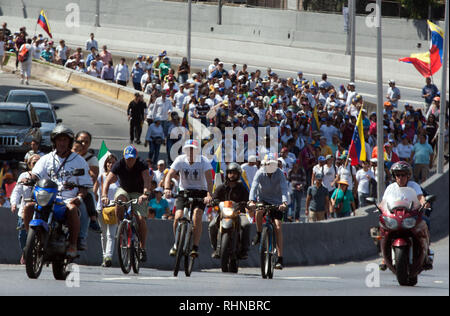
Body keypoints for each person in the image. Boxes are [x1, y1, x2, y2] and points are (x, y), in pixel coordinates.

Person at [22, 125, 92, 258]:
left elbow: (84, 185)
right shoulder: (46, 159)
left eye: (65, 140)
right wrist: (28, 178)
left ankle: (72, 244)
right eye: (59, 140)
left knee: (72, 209)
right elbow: (35, 174)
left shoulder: (79, 161)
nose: (62, 143)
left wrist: (79, 197)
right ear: (54, 142)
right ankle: (30, 241)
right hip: (46, 197)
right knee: (28, 207)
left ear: (69, 142)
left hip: (66, 200)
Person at [102, 145, 152, 262]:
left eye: (132, 158)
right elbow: (107, 181)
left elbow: (147, 180)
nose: (130, 161)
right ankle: (121, 226)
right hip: (124, 189)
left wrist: (145, 193)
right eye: (128, 158)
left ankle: (142, 247)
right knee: (119, 200)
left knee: (140, 219)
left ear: (136, 157)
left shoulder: (142, 164)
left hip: (138, 192)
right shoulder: (118, 164)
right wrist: (104, 195)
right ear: (124, 157)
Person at [164, 139, 214, 258]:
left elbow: (209, 180)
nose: (190, 152)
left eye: (193, 150)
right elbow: (169, 175)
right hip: (184, 191)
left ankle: (195, 247)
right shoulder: (180, 160)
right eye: (188, 150)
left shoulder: (204, 161)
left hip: (200, 192)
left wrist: (209, 195)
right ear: (185, 151)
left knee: (197, 215)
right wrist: (167, 188)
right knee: (177, 216)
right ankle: (176, 244)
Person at [249, 153, 289, 270]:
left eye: (272, 164)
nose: (269, 167)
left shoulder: (280, 174)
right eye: (267, 164)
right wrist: (251, 200)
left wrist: (284, 203)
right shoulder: (260, 172)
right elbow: (254, 187)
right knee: (259, 212)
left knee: (278, 226)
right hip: (263, 199)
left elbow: (284, 189)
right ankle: (259, 233)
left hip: (277, 202)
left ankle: (280, 258)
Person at [209, 162, 251, 260]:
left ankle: (244, 250)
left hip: (239, 213)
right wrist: (212, 202)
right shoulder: (221, 187)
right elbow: (214, 198)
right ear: (227, 174)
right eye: (230, 173)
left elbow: (248, 200)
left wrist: (246, 204)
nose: (232, 175)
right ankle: (216, 248)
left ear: (238, 175)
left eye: (235, 173)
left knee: (246, 224)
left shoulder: (242, 188)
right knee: (211, 226)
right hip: (223, 214)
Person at [10, 154, 41, 264]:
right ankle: (26, 252)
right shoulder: (23, 175)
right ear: (29, 164)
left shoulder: (46, 175)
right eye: (34, 163)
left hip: (40, 210)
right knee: (22, 235)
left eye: (39, 162)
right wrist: (14, 203)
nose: (37, 164)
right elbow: (17, 191)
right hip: (24, 210)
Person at [93, 153, 119, 267]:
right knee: (103, 234)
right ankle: (104, 256)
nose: (111, 164)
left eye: (113, 162)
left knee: (111, 234)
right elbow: (94, 191)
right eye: (109, 162)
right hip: (101, 209)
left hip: (114, 209)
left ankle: (108, 256)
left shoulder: (119, 178)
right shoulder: (102, 176)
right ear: (105, 164)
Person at [74, 131, 102, 235]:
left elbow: (93, 178)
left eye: (86, 142)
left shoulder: (92, 159)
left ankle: (82, 236)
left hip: (84, 190)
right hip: (66, 189)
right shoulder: (67, 156)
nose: (83, 144)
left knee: (84, 211)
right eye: (81, 142)